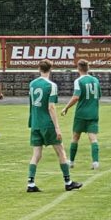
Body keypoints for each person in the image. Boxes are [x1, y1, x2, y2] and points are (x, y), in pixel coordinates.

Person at [26, 60, 82, 193]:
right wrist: (57, 127)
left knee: (36, 154)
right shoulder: (51, 85)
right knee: (61, 151)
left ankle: (31, 183)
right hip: (47, 124)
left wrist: (31, 121)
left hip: (35, 123)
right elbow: (51, 107)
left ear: (39, 68)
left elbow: (31, 104)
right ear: (51, 69)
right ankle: (68, 182)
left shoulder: (32, 84)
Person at [61, 59, 101, 170]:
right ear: (88, 68)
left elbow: (76, 97)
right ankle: (96, 162)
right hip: (93, 113)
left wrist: (66, 107)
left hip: (81, 113)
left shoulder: (78, 81)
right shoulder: (96, 80)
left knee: (75, 137)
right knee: (93, 138)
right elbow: (99, 96)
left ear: (78, 68)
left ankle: (71, 162)